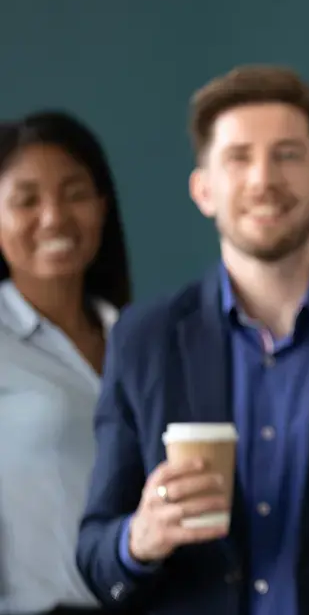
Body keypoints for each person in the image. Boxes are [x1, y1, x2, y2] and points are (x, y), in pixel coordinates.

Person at [75, 66, 309, 615]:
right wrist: (140, 538)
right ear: (204, 189)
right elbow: (96, 555)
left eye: (288, 154)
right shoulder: (142, 340)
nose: (263, 179)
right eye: (238, 157)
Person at [0, 111, 132, 615]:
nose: (54, 216)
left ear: (102, 206)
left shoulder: (142, 337)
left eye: (74, 193)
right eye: (26, 200)